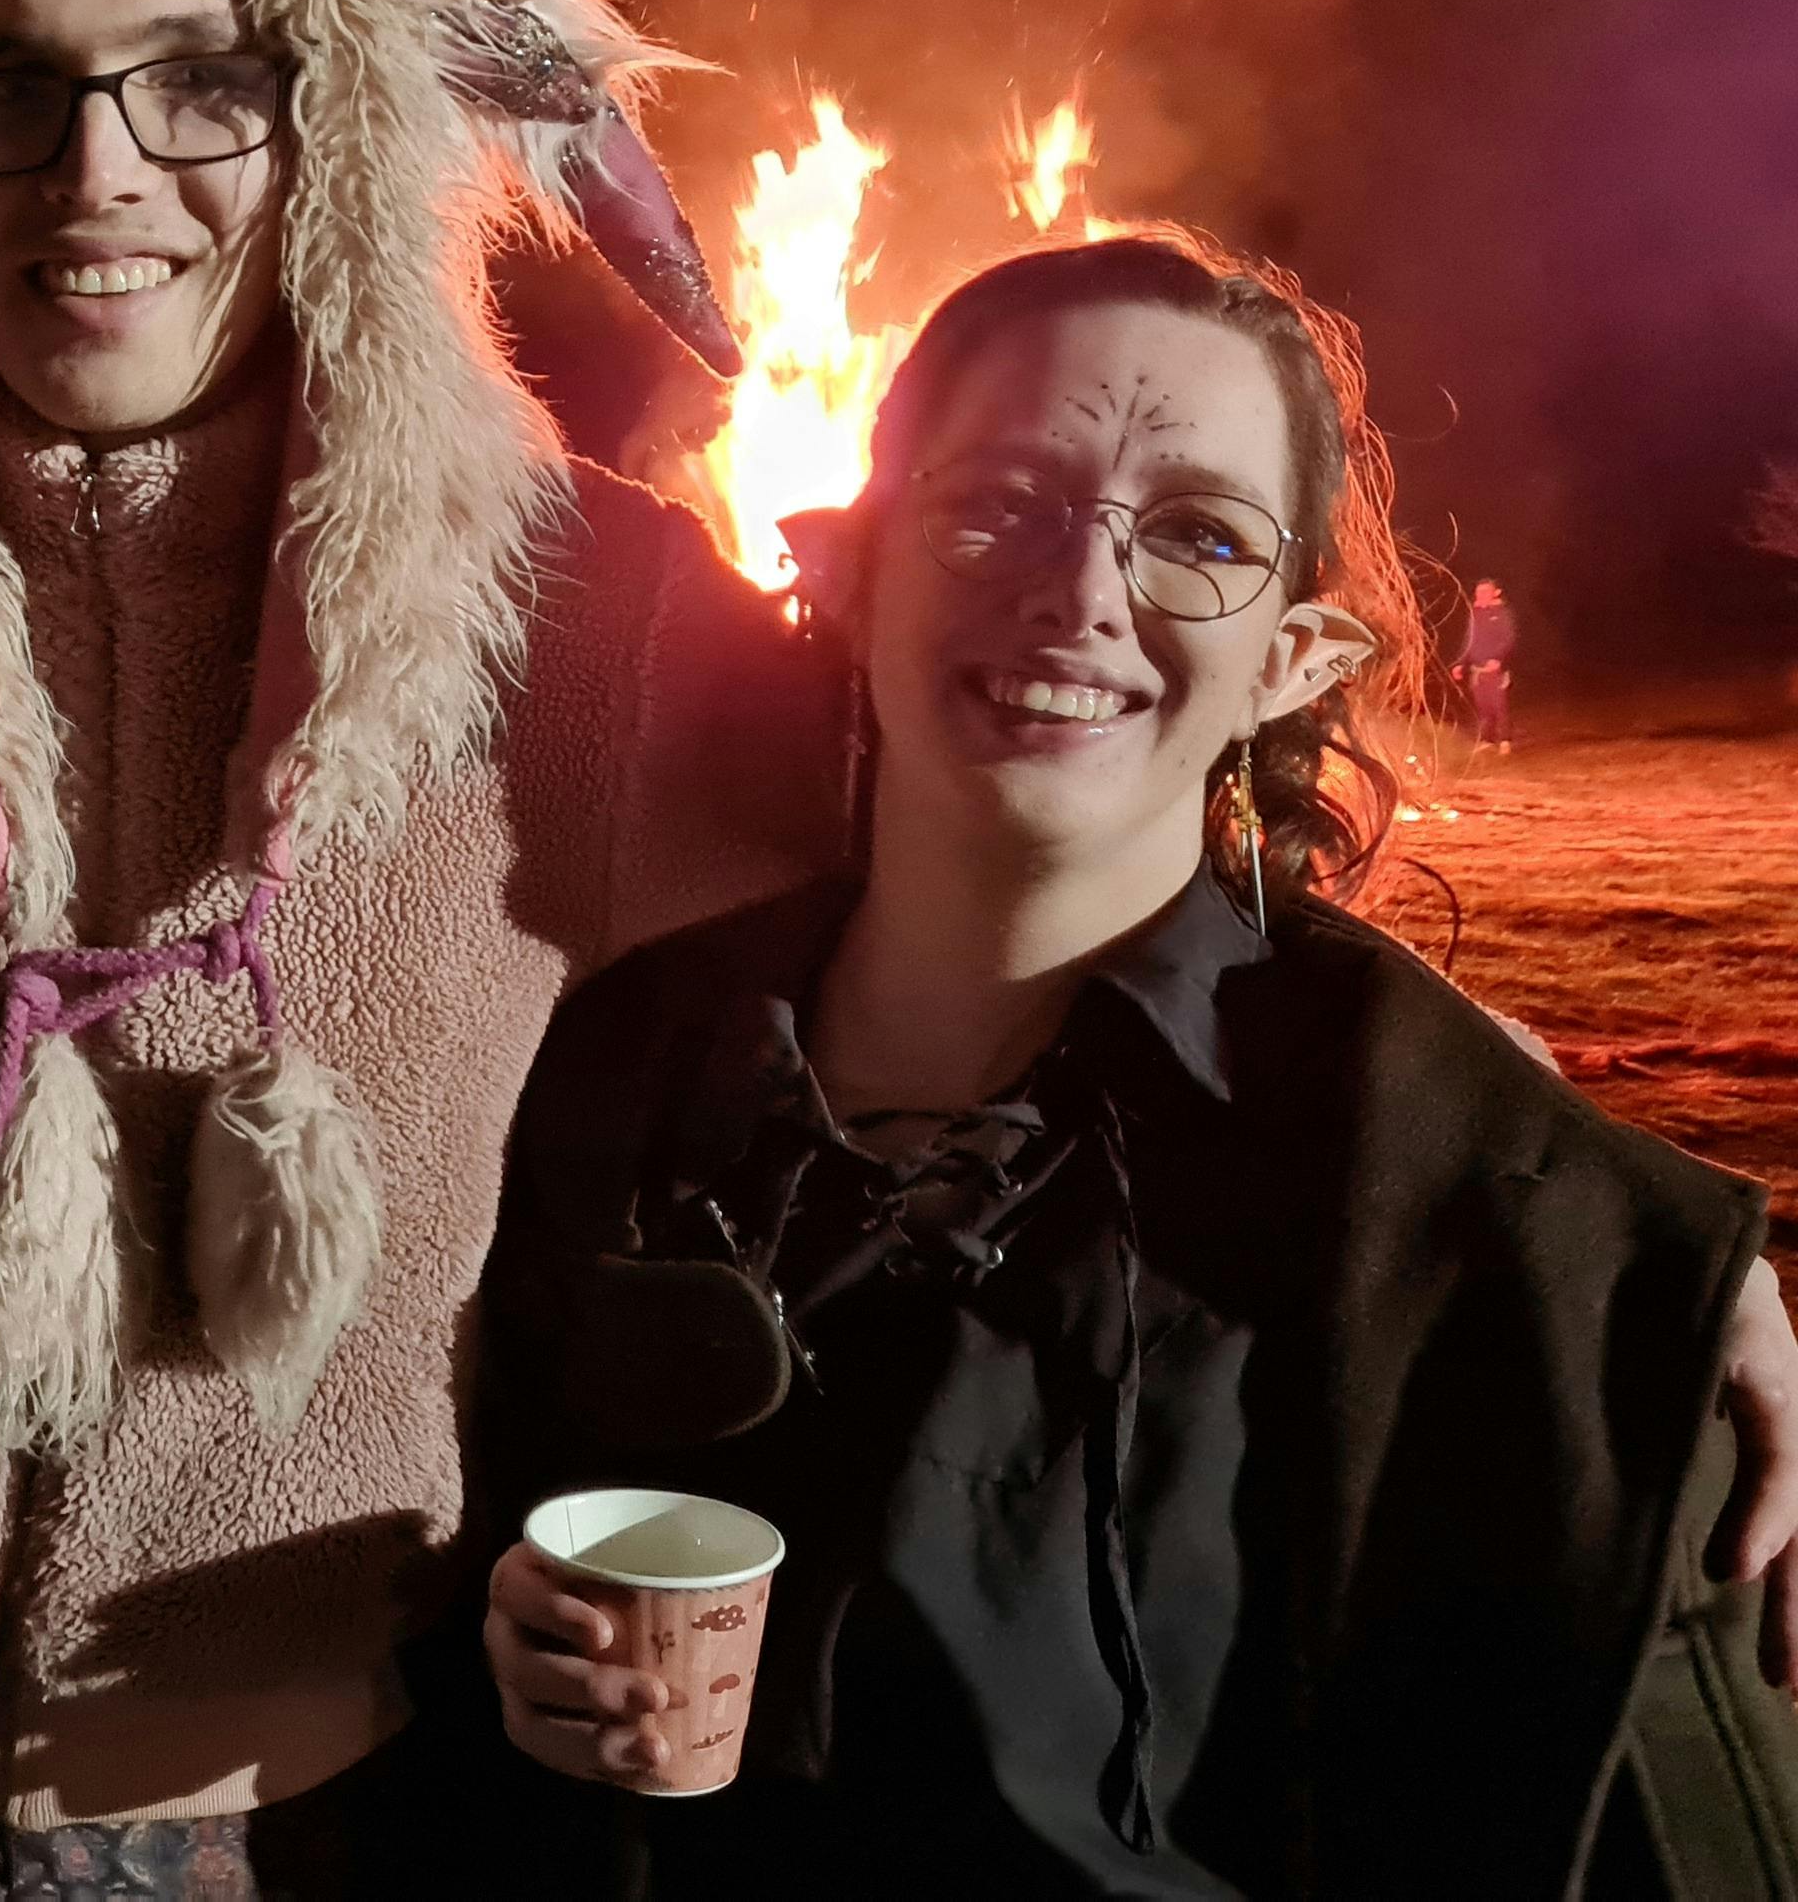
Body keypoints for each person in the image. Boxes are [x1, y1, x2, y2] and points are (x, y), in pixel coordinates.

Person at [0, 0, 1798, 1890]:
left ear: (339, 111)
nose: (103, 167)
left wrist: (1609, 1234)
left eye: (209, 79)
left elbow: (1042, 887)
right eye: (2, 82)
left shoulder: (596, 624)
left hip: (315, 1821)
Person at [474, 236, 1798, 1895]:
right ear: (849, 565)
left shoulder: (1484, 1239)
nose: (1078, 589)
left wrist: (1642, 1263)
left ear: (1293, 657)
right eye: (992, 505)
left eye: (1199, 536)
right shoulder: (622, 1077)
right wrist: (513, 1641)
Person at [1458, 575, 1520, 753]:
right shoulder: (1475, 614)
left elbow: (1509, 639)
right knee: (1483, 707)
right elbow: (1468, 640)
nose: (1481, 594)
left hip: (1495, 669)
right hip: (1477, 670)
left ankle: (1505, 740)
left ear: (1496, 593)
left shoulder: (1502, 613)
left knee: (1499, 706)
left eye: (1485, 591)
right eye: (1478, 591)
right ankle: (1487, 739)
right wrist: (1460, 663)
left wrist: (1498, 659)